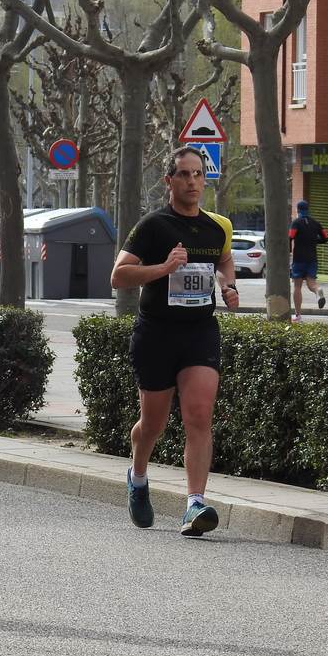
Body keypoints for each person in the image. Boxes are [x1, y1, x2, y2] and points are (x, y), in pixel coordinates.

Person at [110, 146, 240, 538]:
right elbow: (119, 276)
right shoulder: (153, 226)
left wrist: (228, 285)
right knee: (153, 424)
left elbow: (224, 259)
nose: (192, 182)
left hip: (199, 332)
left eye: (198, 174)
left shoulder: (218, 227)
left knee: (199, 416)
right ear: (169, 180)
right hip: (156, 334)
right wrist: (164, 268)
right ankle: (137, 476)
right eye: (184, 174)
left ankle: (194, 504)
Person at [289, 199, 328, 321]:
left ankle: (297, 315)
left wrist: (289, 251)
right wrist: (314, 240)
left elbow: (290, 237)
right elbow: (326, 238)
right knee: (312, 283)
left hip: (299, 258)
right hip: (312, 258)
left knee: (297, 286)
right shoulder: (316, 223)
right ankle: (318, 291)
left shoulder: (296, 223)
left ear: (298, 210)